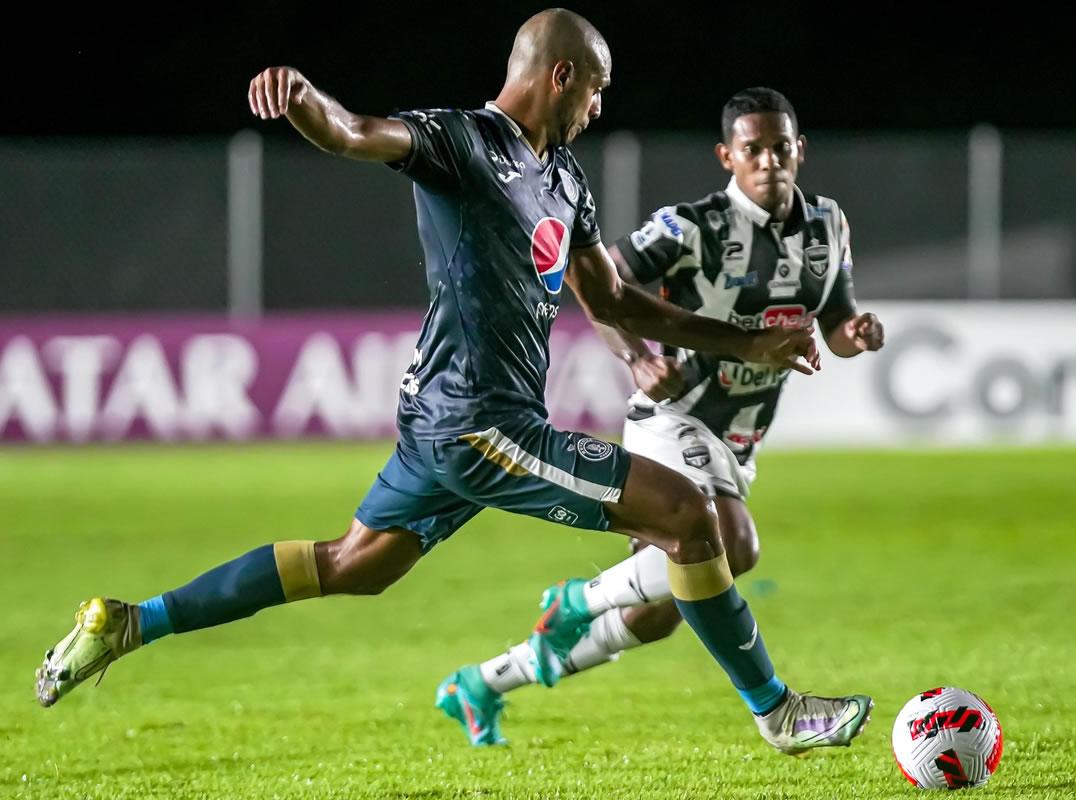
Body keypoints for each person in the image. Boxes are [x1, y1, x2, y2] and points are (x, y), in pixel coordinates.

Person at [34, 10, 868, 757]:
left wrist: (745, 343)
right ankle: (777, 712)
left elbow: (612, 298)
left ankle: (131, 622)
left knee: (356, 564)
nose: (599, 110)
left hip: (451, 420)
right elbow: (355, 132)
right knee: (688, 517)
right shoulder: (463, 141)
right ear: (563, 75)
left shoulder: (565, 179)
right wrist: (301, 101)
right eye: (598, 90)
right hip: (478, 423)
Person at [445, 86, 885, 746]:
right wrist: (635, 357)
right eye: (752, 149)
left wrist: (859, 332)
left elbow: (838, 323)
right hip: (674, 416)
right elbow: (595, 284)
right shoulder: (690, 226)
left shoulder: (827, 225)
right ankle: (579, 604)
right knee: (733, 547)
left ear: (800, 150)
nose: (769, 160)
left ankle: (481, 683)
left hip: (738, 439)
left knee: (657, 613)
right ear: (726, 156)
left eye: (780, 147)